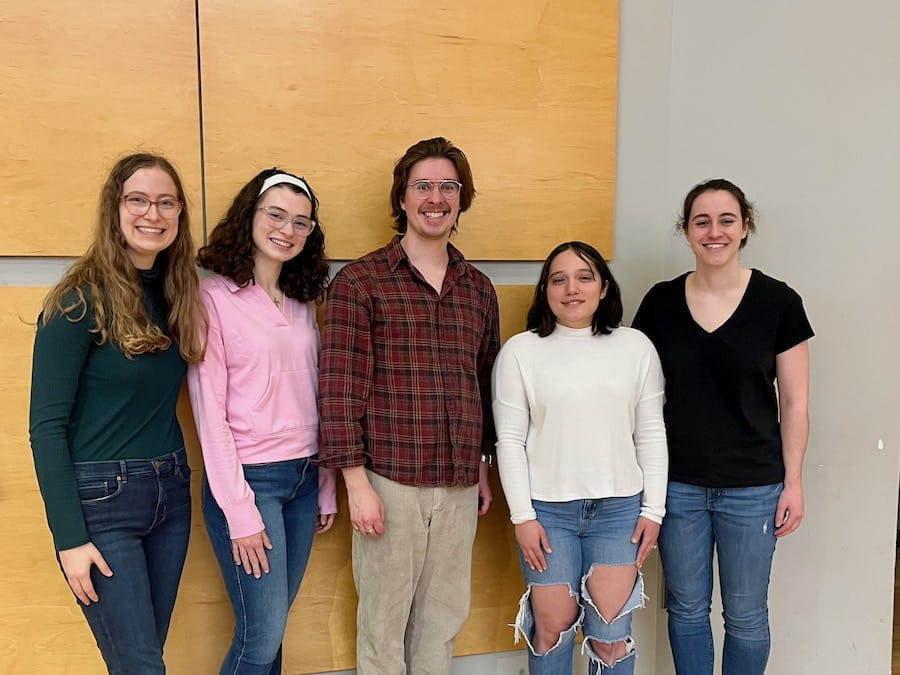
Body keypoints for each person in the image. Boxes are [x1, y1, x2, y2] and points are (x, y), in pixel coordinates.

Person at [318, 137, 500, 674]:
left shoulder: (479, 289)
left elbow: (484, 385)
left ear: (462, 200)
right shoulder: (359, 281)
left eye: (449, 186)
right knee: (382, 624)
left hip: (461, 483)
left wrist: (484, 466)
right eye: (423, 186)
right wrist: (356, 484)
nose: (436, 197)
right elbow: (340, 386)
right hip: (387, 483)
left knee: (442, 623)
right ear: (402, 198)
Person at [28, 153, 206, 674]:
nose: (153, 213)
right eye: (138, 200)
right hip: (102, 505)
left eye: (166, 202)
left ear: (179, 214)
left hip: (170, 495)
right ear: (115, 210)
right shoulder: (76, 303)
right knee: (141, 668)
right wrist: (69, 540)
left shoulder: (177, 294)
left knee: (143, 658)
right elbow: (46, 428)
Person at [632, 178, 813, 675]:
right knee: (687, 610)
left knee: (746, 615)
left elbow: (795, 402)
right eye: (702, 221)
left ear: (745, 227)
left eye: (726, 220)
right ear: (687, 232)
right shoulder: (660, 303)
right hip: (678, 485)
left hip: (754, 486)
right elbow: (637, 395)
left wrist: (793, 482)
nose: (714, 231)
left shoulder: (779, 303)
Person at [492, 241, 667, 674]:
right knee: (551, 631)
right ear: (545, 290)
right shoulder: (521, 352)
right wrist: (521, 517)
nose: (572, 288)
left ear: (604, 288)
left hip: (619, 510)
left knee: (609, 638)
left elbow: (650, 432)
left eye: (585, 277)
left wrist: (654, 510)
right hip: (546, 514)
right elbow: (509, 441)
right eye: (559, 279)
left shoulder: (636, 347)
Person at [188, 168, 337, 674]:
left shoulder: (302, 301)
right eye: (276, 215)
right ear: (249, 215)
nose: (287, 230)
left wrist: (326, 484)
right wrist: (240, 511)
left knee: (272, 635)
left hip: (302, 478)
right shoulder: (212, 299)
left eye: (301, 222)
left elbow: (314, 396)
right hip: (251, 483)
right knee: (261, 635)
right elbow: (210, 414)